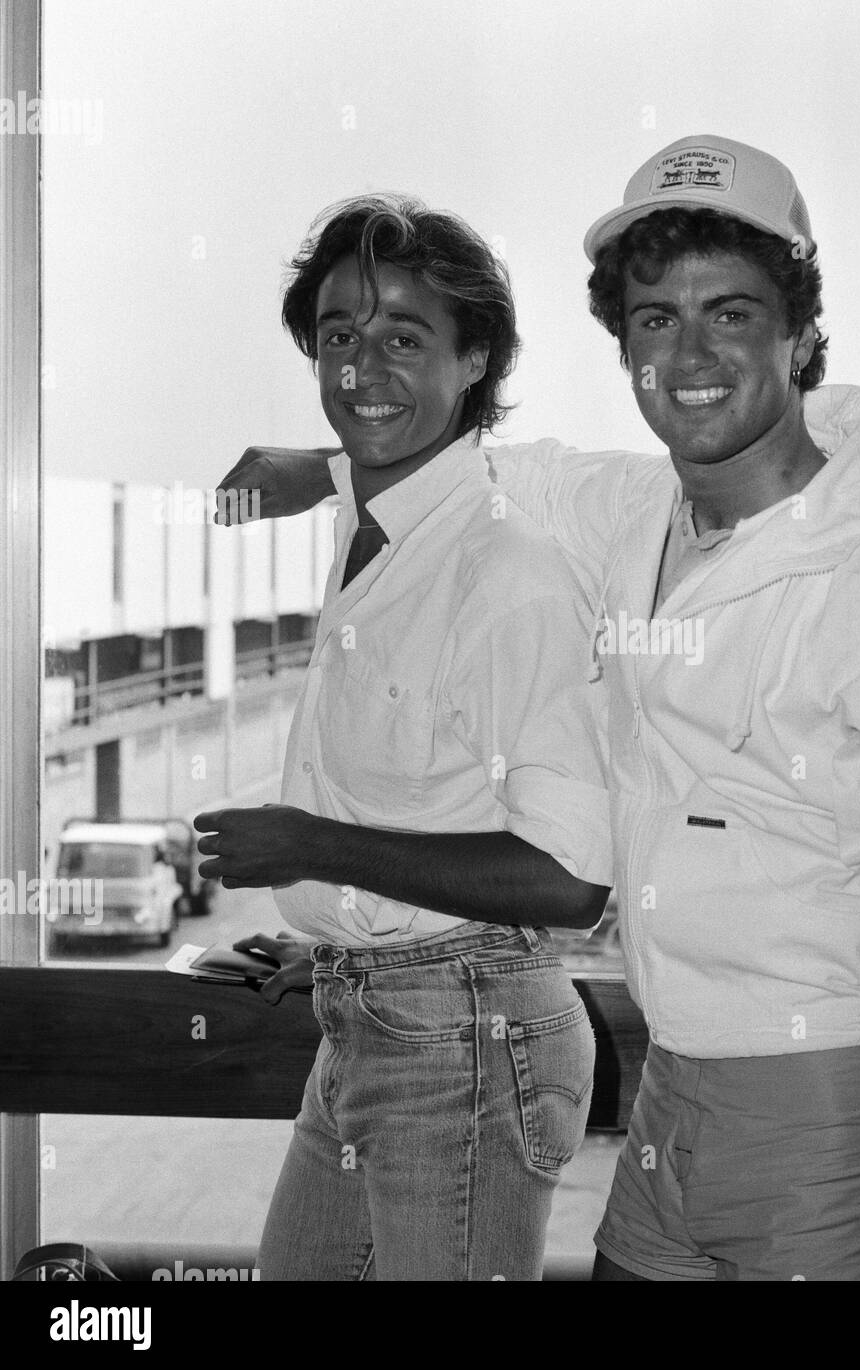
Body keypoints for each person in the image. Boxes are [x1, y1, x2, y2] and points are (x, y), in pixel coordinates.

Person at [217, 136, 860, 1281]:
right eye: (654, 320)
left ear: (800, 334)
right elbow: (487, 461)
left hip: (822, 1100)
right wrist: (326, 463)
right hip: (668, 1091)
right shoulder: (636, 512)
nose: (688, 353)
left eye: (731, 312)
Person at [196, 194, 613, 1281]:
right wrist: (342, 928)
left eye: (404, 337)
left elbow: (573, 881)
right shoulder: (375, 529)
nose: (362, 366)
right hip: (370, 1012)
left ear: (473, 359)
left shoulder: (509, 575)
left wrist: (312, 848)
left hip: (466, 1042)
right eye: (339, 336)